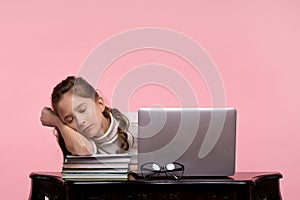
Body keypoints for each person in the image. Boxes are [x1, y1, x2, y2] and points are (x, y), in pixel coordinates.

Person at [40, 76, 136, 157]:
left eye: (82, 110)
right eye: (69, 120)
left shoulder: (137, 126)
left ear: (100, 104)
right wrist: (58, 122)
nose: (80, 121)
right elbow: (81, 148)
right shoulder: (82, 141)